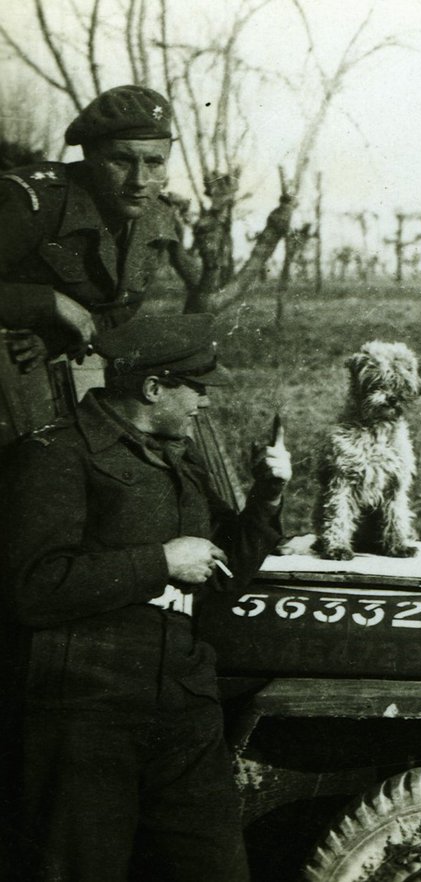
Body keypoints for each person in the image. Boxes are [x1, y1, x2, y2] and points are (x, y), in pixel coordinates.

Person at [0, 313, 291, 882]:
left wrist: (267, 499)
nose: (205, 404)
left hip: (182, 712)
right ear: (153, 388)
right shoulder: (54, 456)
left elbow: (221, 575)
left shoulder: (179, 459)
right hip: (86, 719)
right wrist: (159, 561)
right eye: (197, 389)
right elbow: (31, 588)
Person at [0, 84, 189, 446]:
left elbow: (119, 310)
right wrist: (51, 304)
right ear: (90, 157)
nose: (139, 181)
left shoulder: (156, 219)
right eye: (121, 161)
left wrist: (52, 337)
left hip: (51, 371)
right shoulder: (33, 202)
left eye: (154, 163)